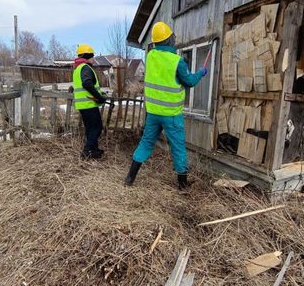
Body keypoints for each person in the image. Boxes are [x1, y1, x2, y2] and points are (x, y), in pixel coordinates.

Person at [125, 21, 208, 190]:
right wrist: (201, 72)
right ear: (169, 39)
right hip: (171, 115)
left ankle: (130, 178)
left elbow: (163, 72)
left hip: (153, 113)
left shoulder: (151, 56)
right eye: (172, 37)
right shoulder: (177, 61)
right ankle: (183, 186)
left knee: (146, 143)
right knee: (178, 148)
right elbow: (189, 82)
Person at [73, 44, 107, 159]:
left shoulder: (78, 68)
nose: (94, 59)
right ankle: (87, 151)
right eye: (92, 56)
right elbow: (87, 83)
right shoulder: (86, 68)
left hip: (83, 105)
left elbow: (86, 87)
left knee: (90, 129)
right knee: (97, 128)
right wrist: (99, 97)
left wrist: (100, 94)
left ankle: (94, 150)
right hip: (89, 104)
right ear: (88, 56)